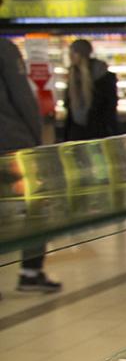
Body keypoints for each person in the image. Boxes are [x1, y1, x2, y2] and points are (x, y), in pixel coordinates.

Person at [1, 39, 62, 294]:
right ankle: (30, 271)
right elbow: (22, 96)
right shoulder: (4, 48)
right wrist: (36, 139)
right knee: (37, 205)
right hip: (10, 142)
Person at [61, 39, 119, 142]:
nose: (70, 56)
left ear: (82, 54)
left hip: (98, 132)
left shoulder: (103, 76)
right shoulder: (72, 74)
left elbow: (109, 105)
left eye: (74, 52)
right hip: (76, 132)